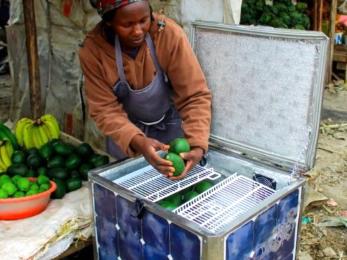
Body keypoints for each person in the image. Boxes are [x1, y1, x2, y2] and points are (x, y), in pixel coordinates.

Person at [79, 0, 211, 180]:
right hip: (126, 134)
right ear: (108, 21)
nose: (138, 31)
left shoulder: (168, 35)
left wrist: (197, 145)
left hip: (170, 126)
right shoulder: (94, 50)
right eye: (127, 25)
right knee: (130, 191)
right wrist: (138, 142)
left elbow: (194, 95)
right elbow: (105, 110)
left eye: (144, 20)